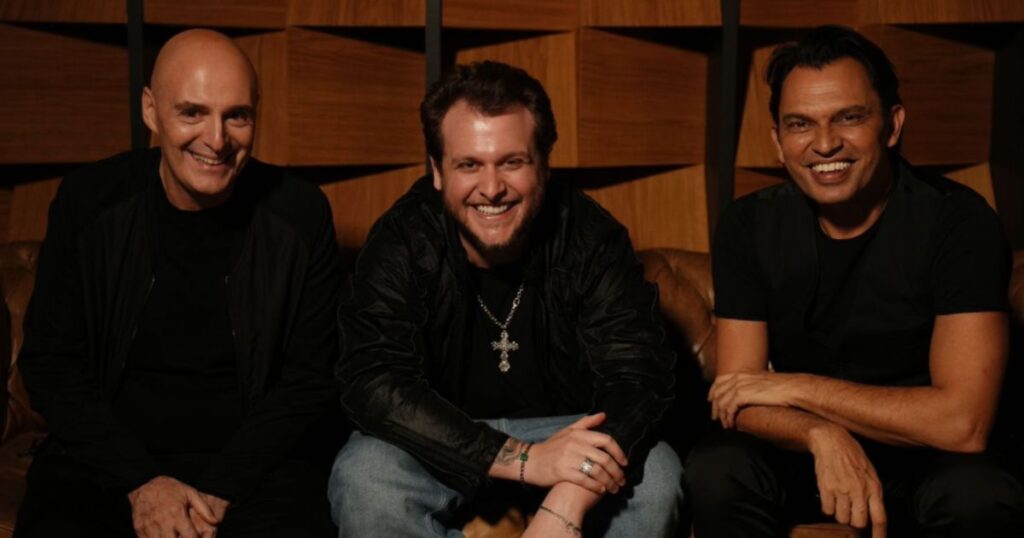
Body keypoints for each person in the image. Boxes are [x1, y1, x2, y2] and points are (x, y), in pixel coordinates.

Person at [688, 25, 1024, 537]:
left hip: (927, 457)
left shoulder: (959, 222)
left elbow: (963, 424)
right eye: (800, 124)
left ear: (892, 125)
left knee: (979, 495)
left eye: (849, 117)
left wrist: (796, 387)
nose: (825, 144)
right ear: (778, 141)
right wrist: (818, 433)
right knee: (717, 468)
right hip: (805, 451)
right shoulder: (748, 224)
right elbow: (740, 396)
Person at [329, 60, 682, 537]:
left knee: (657, 475)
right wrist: (522, 459)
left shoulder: (590, 236)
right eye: (469, 165)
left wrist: (568, 498)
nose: (492, 188)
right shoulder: (403, 239)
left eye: (512, 162)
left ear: (544, 165)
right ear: (437, 171)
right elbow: (373, 382)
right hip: (437, 436)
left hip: (567, 433)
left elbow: (638, 376)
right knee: (365, 476)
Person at [15, 29, 340, 538]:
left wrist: (220, 489)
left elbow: (311, 378)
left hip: (258, 466)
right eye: (192, 113)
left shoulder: (301, 213)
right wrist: (141, 482)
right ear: (150, 110)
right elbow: (51, 365)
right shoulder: (88, 202)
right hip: (105, 462)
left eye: (237, 115)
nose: (217, 139)